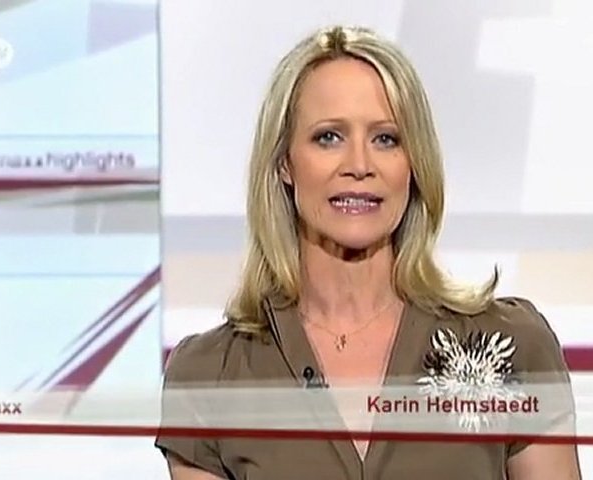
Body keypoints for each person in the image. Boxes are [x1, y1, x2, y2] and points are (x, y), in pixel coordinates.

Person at [155, 25, 580, 479]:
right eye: (328, 137)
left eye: (386, 139)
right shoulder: (210, 375)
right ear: (284, 163)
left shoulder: (512, 345)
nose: (359, 165)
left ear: (413, 164)